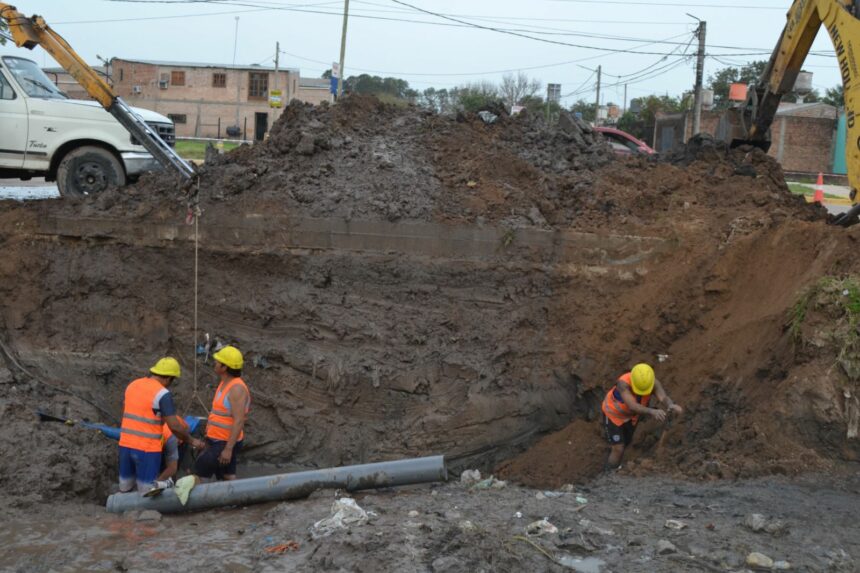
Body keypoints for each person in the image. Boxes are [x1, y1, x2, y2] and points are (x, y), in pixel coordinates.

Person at [118, 357, 205, 495]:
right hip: (147, 450)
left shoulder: (133, 385)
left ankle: (124, 506)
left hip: (125, 445)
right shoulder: (162, 394)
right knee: (147, 493)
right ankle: (168, 484)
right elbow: (174, 426)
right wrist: (192, 440)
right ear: (169, 378)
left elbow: (126, 410)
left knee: (125, 487)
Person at [601, 363, 683, 471]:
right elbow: (633, 405)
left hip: (632, 416)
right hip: (613, 415)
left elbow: (663, 397)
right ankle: (608, 473)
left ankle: (619, 467)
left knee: (626, 442)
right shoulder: (623, 384)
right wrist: (652, 411)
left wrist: (671, 405)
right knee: (618, 448)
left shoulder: (652, 382)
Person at [193, 345, 250, 482]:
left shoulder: (236, 389)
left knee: (199, 473)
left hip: (223, 442)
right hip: (217, 439)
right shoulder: (225, 383)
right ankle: (236, 496)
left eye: (218, 362)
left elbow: (239, 421)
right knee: (226, 475)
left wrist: (228, 449)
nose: (215, 363)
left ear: (224, 367)